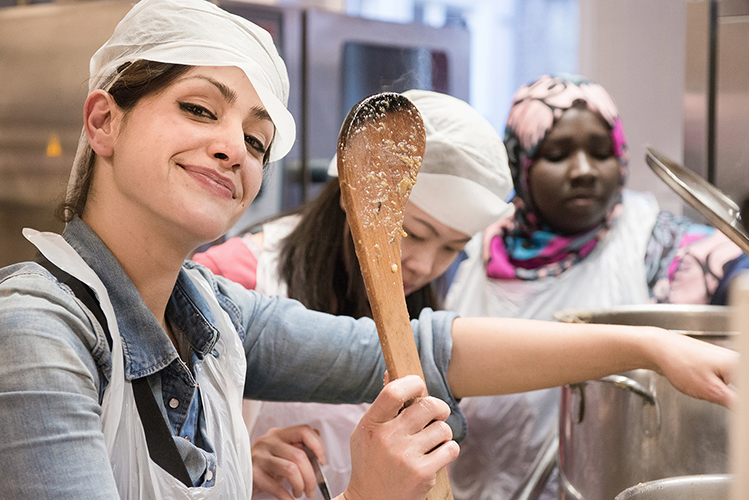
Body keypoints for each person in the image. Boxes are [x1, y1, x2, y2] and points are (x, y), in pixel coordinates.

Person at [0, 3, 737, 497]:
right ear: (103, 121)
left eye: (257, 139)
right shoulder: (40, 332)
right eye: (198, 108)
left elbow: (423, 350)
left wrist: (646, 347)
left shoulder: (211, 315)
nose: (232, 147)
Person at [193, 88, 515, 499]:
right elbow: (171, 457)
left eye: (452, 248)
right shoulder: (236, 277)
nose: (425, 265)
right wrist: (240, 461)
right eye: (412, 234)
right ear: (354, 196)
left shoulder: (426, 301)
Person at [444, 73, 749, 500]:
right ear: (520, 162)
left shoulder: (659, 247)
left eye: (601, 152)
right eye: (557, 153)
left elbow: (735, 270)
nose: (584, 170)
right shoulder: (464, 251)